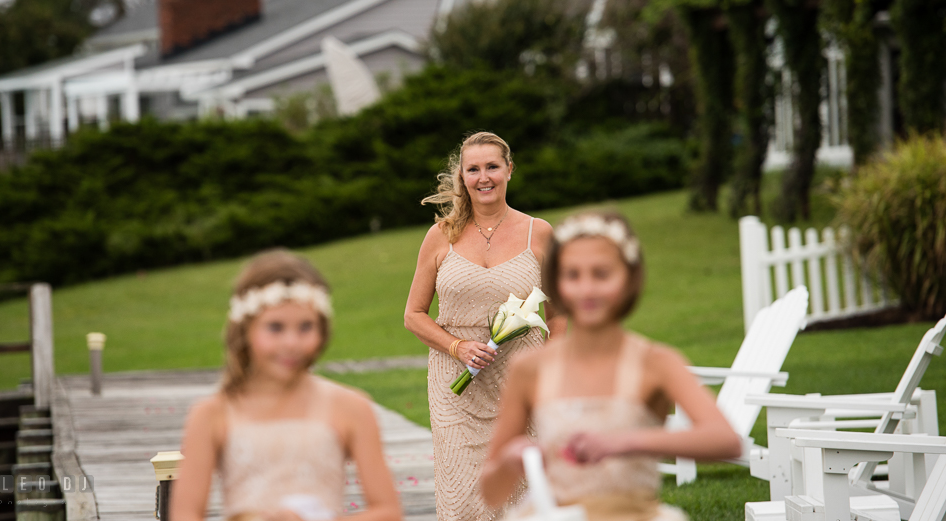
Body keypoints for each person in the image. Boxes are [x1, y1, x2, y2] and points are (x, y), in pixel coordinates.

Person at [480, 211, 741, 521]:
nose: (587, 290)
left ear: (629, 279)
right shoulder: (530, 369)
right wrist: (511, 460)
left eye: (601, 274)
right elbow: (490, 493)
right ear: (556, 282)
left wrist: (625, 442)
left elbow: (726, 440)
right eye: (572, 275)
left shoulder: (656, 362)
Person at [404, 131, 567, 521]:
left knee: (519, 494)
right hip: (455, 385)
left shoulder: (539, 233)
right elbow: (414, 314)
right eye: (473, 169)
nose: (483, 177)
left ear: (509, 170)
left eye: (492, 166)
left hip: (519, 382)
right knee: (462, 499)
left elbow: (559, 315)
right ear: (462, 176)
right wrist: (457, 347)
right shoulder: (440, 235)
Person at [170, 249, 402, 521]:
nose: (291, 343)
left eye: (305, 327)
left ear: (323, 329)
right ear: (246, 329)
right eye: (275, 328)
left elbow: (387, 511)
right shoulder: (212, 413)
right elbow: (185, 514)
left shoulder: (351, 407)